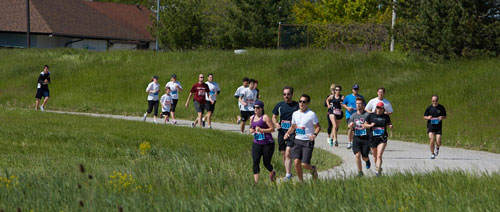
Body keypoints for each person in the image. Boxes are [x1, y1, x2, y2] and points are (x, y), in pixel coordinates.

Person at [284, 94, 321, 182]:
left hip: (307, 141)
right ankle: (301, 182)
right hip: (297, 141)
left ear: (308, 103)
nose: (301, 103)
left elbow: (318, 127)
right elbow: (293, 126)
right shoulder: (295, 114)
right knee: (296, 162)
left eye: (304, 102)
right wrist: (287, 133)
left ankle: (313, 169)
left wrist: (314, 135)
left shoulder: (311, 114)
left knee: (304, 164)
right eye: (300, 101)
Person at [272, 86, 299, 181]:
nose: (286, 96)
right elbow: (274, 116)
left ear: (292, 94)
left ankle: (288, 175)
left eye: (288, 94)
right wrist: (276, 124)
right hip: (281, 132)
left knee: (288, 153)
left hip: (292, 132)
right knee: (284, 154)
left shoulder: (297, 105)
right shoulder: (279, 105)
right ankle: (287, 172)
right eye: (284, 94)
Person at [249, 100, 276, 183]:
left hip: (267, 143)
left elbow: (272, 129)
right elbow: (251, 127)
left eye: (258, 107)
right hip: (257, 143)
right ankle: (256, 182)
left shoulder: (265, 117)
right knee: (255, 161)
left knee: (266, 162)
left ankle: (272, 172)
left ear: (261, 108)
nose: (256, 109)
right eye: (254, 107)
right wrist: (251, 130)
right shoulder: (252, 117)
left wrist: (262, 130)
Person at [363, 102, 393, 177]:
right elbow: (364, 125)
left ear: (383, 109)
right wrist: (370, 125)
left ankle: (377, 172)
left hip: (382, 138)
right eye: (377, 108)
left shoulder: (386, 116)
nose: (379, 109)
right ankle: (378, 168)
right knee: (375, 156)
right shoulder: (371, 115)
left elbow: (389, 123)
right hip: (372, 138)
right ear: (375, 108)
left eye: (380, 108)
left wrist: (390, 126)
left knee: (379, 155)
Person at [348, 97, 371, 177]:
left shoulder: (367, 115)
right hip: (357, 138)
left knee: (364, 157)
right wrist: (350, 125)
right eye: (357, 103)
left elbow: (371, 125)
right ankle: (360, 172)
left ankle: (367, 160)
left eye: (360, 103)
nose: (358, 105)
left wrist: (366, 126)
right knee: (357, 155)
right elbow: (349, 125)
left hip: (365, 138)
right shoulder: (353, 115)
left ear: (363, 105)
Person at [424, 95, 447, 159]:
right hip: (431, 126)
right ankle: (432, 153)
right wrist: (428, 117)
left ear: (438, 101)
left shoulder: (441, 107)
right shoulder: (429, 108)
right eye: (433, 101)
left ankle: (437, 148)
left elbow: (445, 116)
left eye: (436, 101)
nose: (435, 102)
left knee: (438, 141)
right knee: (431, 139)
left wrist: (441, 117)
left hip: (438, 127)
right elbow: (424, 116)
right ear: (432, 101)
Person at [342, 84, 364, 149]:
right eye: (354, 89)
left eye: (357, 89)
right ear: (352, 90)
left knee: (356, 129)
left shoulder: (361, 97)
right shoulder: (348, 97)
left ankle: (355, 142)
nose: (356, 91)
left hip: (358, 115)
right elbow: (343, 104)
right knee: (350, 128)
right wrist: (347, 108)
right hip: (349, 115)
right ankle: (349, 142)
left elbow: (364, 105)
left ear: (358, 90)